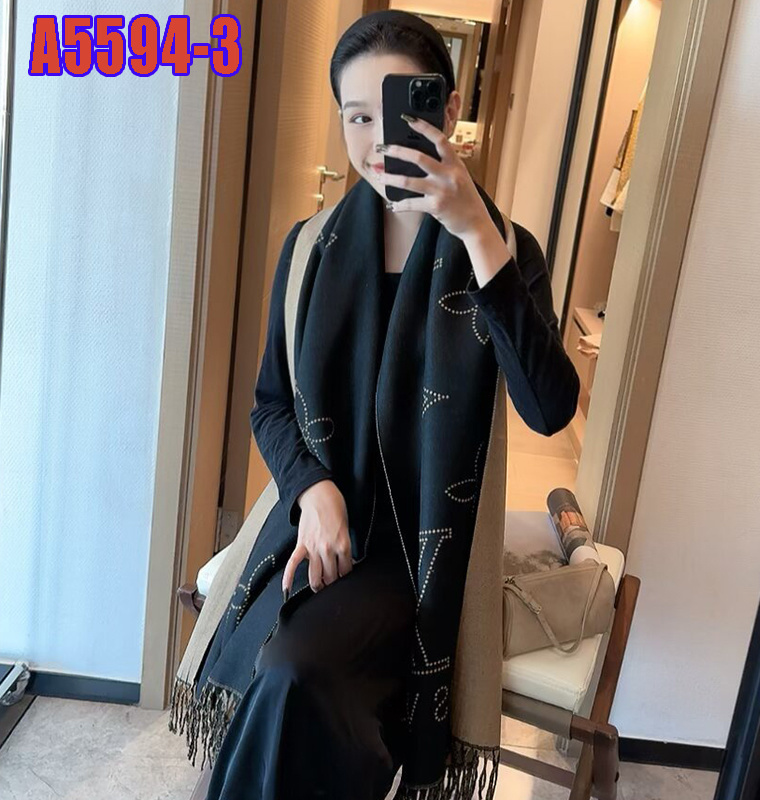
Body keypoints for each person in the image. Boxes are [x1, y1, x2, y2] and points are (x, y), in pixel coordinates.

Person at [173, 10, 580, 800]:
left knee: (296, 676)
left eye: (396, 111)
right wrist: (313, 491)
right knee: (294, 686)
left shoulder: (506, 246)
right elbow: (269, 406)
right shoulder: (309, 246)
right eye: (356, 117)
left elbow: (549, 409)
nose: (375, 139)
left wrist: (477, 237)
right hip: (317, 530)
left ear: (447, 110)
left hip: (422, 549)